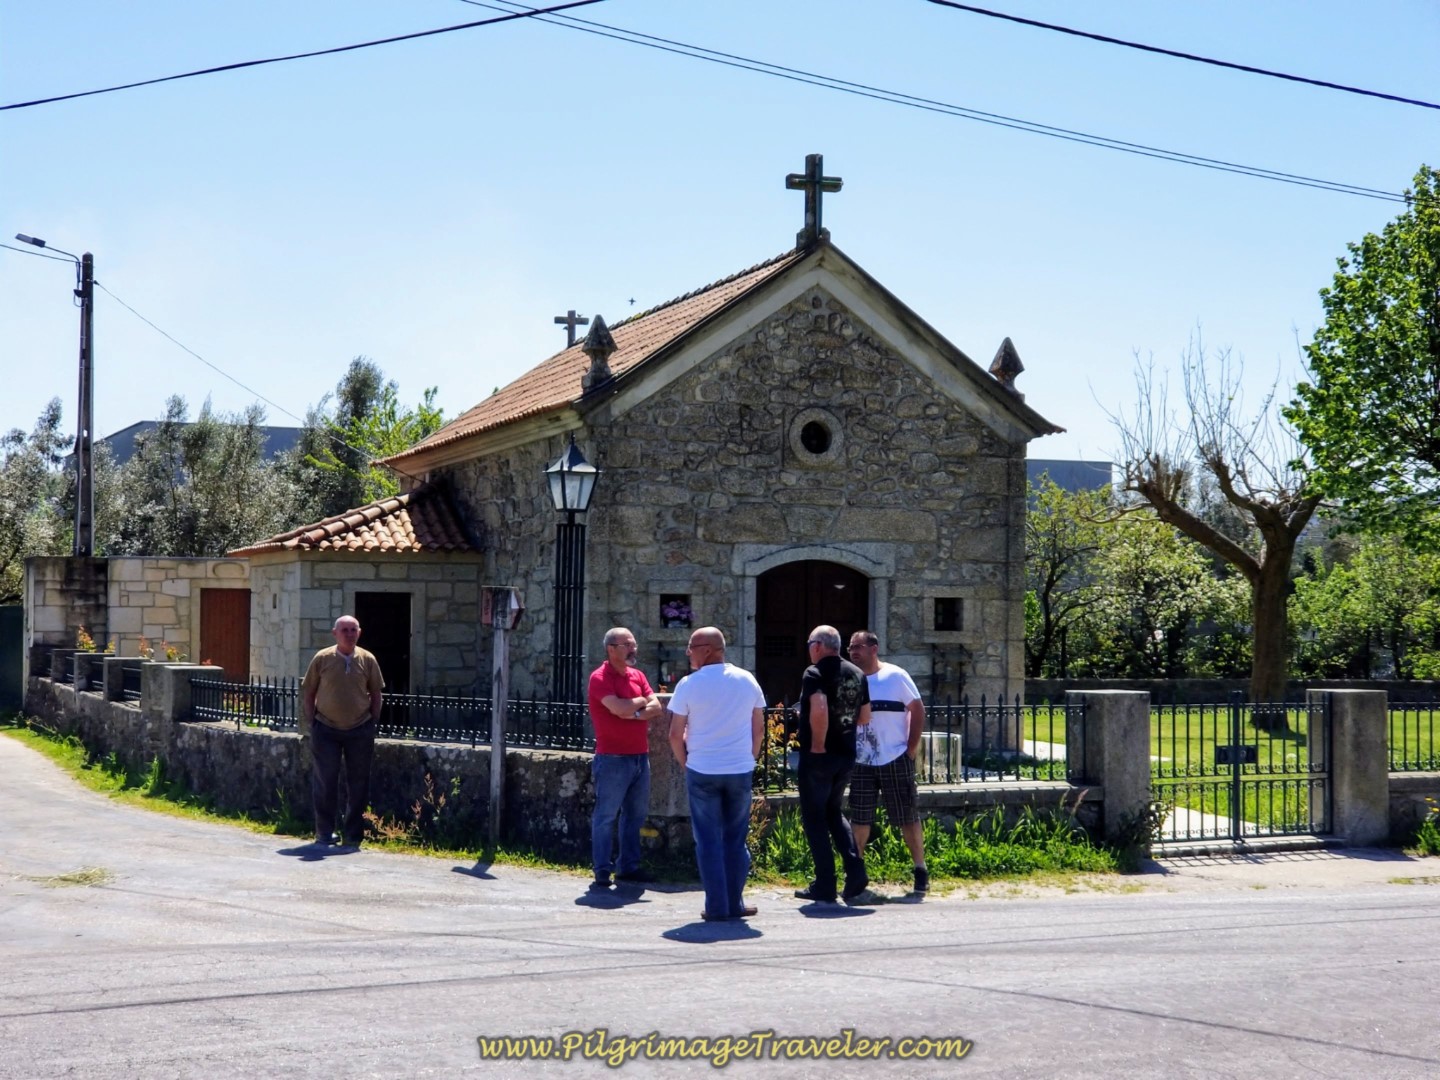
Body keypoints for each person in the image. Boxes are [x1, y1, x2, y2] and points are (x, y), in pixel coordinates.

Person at [667, 627, 766, 922]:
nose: (688, 652)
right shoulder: (747, 680)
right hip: (739, 769)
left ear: (707, 649)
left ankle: (717, 905)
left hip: (703, 769)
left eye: (691, 647)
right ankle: (735, 903)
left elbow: (674, 734)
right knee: (735, 839)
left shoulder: (689, 684)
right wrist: (750, 758)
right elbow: (759, 728)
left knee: (708, 841)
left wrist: (686, 763)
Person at [847, 630, 929, 895]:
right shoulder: (850, 679)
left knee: (907, 816)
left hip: (895, 757)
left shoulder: (895, 676)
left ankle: (920, 869)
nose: (853, 652)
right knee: (860, 818)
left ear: (874, 648)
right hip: (862, 760)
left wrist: (911, 749)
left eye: (858, 647)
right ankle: (856, 873)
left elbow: (917, 710)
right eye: (850, 648)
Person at [794, 624, 871, 903]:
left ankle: (825, 884)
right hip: (846, 754)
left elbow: (819, 708)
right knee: (834, 812)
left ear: (817, 646)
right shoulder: (857, 673)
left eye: (809, 644)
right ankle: (856, 871)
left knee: (814, 818)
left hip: (820, 756)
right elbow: (865, 716)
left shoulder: (814, 673)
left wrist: (817, 745)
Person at [587, 627, 663, 890]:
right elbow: (618, 708)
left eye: (634, 644)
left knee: (635, 816)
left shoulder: (638, 675)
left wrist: (635, 711)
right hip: (612, 758)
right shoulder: (600, 677)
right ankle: (602, 870)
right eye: (627, 645)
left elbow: (657, 707)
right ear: (611, 649)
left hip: (640, 757)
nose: (633, 649)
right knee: (606, 816)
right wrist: (640, 701)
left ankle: (628, 867)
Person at [301, 615, 385, 848]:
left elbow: (376, 693)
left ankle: (353, 835)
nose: (349, 634)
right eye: (344, 630)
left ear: (359, 632)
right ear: (335, 633)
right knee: (325, 781)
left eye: (353, 630)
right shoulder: (322, 658)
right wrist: (312, 722)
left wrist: (372, 722)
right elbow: (309, 692)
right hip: (326, 729)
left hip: (360, 729)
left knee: (359, 783)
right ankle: (324, 832)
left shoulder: (367, 659)